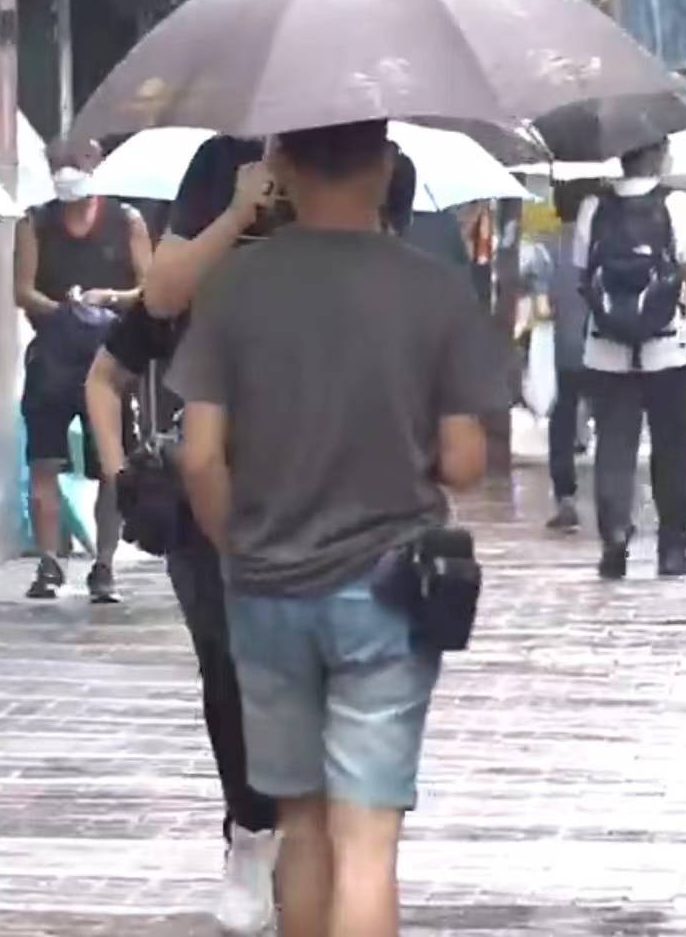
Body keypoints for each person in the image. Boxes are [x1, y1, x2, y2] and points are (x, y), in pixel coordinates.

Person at [172, 119, 503, 937]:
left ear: (280, 163)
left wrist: (234, 544)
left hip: (264, 585)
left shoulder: (233, 287)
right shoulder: (432, 288)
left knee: (301, 823)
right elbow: (464, 460)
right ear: (385, 165)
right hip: (389, 589)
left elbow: (199, 454)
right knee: (367, 840)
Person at [85, 136, 281, 935]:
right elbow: (146, 316)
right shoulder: (218, 164)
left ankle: (295, 834)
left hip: (319, 482)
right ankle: (250, 834)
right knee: (229, 668)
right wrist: (120, 472)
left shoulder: (373, 160)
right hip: (207, 492)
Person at [575, 139, 686, 579]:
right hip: (671, 349)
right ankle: (672, 549)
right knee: (673, 449)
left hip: (605, 351)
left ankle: (615, 537)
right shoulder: (677, 204)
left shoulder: (593, 207)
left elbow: (583, 277)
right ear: (660, 156)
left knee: (614, 447)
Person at [13, 138, 151, 602]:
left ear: (97, 167)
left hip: (108, 358)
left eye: (77, 164)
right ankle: (49, 563)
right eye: (59, 165)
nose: (67, 171)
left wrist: (108, 299)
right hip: (53, 354)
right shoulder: (36, 221)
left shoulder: (126, 221)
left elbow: (149, 288)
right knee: (44, 461)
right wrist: (63, 310)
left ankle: (104, 565)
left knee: (112, 465)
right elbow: (22, 290)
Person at [545, 181, 597, 532]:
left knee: (562, 419)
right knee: (611, 421)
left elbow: (545, 299)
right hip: (603, 347)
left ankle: (565, 499)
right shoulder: (600, 240)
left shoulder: (550, 246)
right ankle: (615, 503)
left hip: (566, 349)